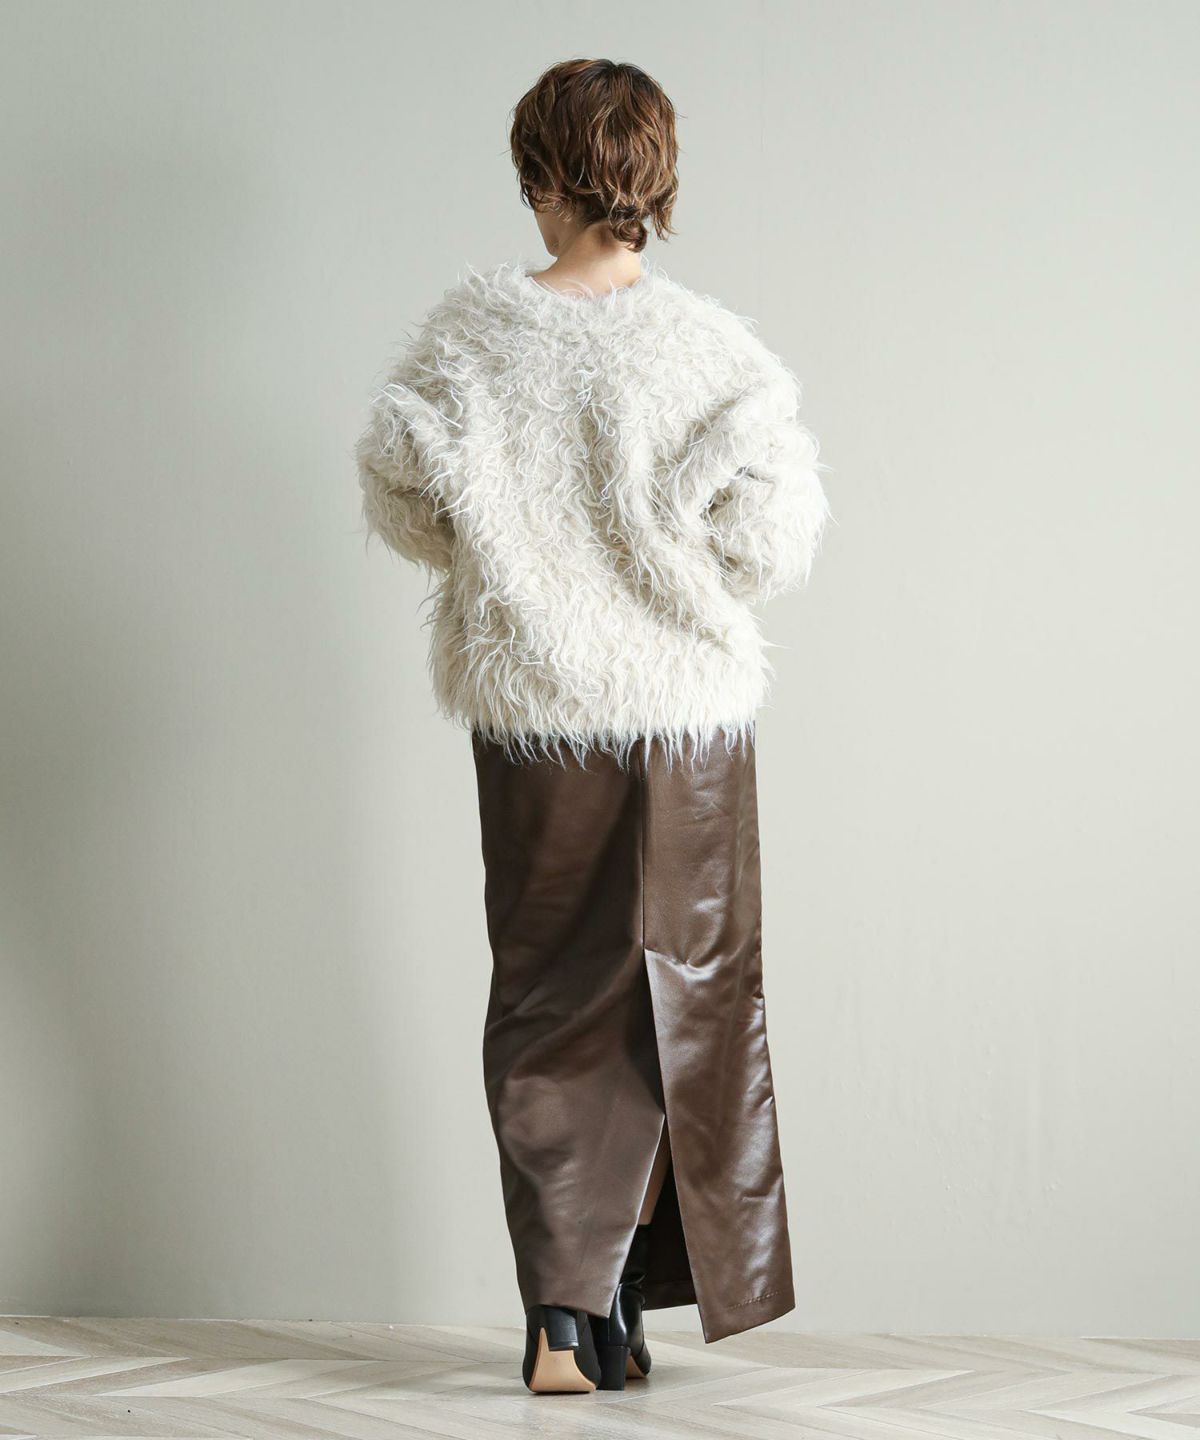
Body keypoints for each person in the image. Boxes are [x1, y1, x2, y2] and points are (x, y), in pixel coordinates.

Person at [356, 57, 829, 1395]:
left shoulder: (469, 344)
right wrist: (661, 565)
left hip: (535, 717)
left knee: (551, 992)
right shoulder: (714, 354)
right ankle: (621, 1304)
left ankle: (570, 1311)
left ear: (538, 176)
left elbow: (406, 500)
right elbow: (772, 537)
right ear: (655, 180)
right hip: (684, 721)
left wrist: (523, 556)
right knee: (685, 988)